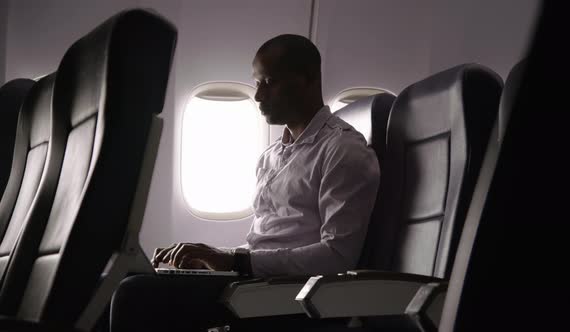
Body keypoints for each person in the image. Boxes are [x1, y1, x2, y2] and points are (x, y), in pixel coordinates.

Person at [110, 34, 380, 331]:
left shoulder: (343, 150)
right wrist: (213, 259)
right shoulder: (272, 156)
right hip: (254, 283)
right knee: (117, 282)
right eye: (256, 83)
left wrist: (234, 261)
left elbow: (337, 258)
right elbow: (266, 242)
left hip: (290, 296)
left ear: (307, 79)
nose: (258, 96)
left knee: (134, 295)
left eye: (269, 82)